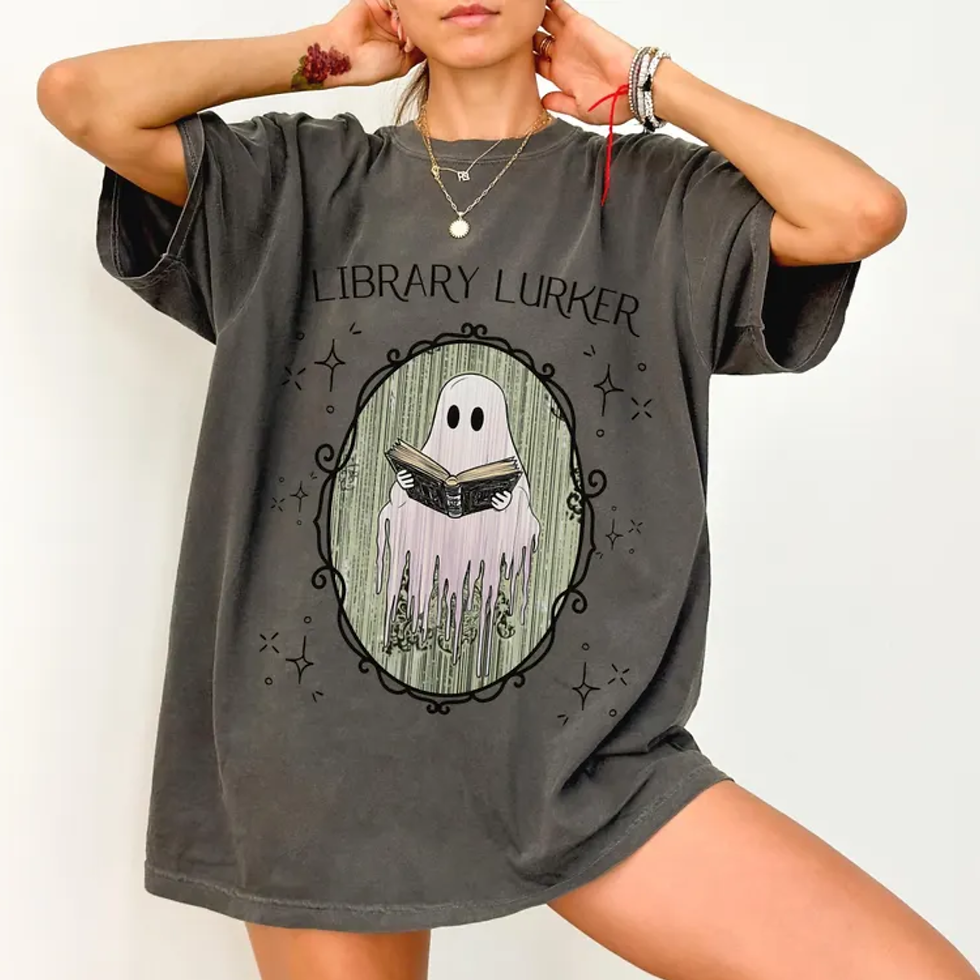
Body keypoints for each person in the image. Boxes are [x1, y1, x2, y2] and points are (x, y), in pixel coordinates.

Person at [34, 2, 976, 979]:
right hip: (321, 754)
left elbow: (857, 212)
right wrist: (316, 59)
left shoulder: (655, 197)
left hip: (584, 761)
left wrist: (649, 82)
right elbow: (81, 97)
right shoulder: (296, 181)